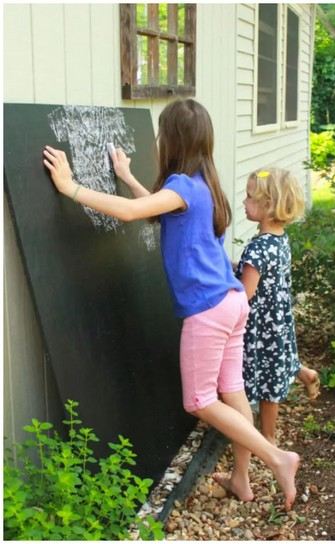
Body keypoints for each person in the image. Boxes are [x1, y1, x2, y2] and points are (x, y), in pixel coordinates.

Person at [43, 98, 299, 510]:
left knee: (198, 400)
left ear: (173, 141)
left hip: (209, 310)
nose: (159, 141)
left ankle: (278, 459)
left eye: (163, 134)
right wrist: (127, 176)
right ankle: (240, 479)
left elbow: (132, 213)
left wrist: (71, 187)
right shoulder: (204, 186)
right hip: (233, 302)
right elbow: (161, 211)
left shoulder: (182, 186)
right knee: (231, 392)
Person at [237, 167, 320, 445]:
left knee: (267, 383)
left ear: (268, 205)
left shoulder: (257, 249)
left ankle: (269, 439)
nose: (243, 202)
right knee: (280, 358)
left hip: (262, 328)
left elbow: (244, 294)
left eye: (249, 197)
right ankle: (306, 374)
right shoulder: (280, 239)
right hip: (279, 319)